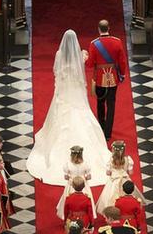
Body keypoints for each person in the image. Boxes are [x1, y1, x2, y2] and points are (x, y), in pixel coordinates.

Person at [26, 30, 110, 185]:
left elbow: (56, 72)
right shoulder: (78, 55)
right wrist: (82, 57)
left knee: (61, 119)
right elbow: (81, 69)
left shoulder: (59, 54)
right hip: (76, 91)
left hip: (64, 92)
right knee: (82, 116)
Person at [85, 20, 127, 142]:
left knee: (100, 103)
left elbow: (90, 64)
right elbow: (122, 61)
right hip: (113, 77)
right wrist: (122, 74)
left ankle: (101, 128)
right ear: (109, 28)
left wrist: (85, 58)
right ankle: (108, 133)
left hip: (99, 78)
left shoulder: (94, 44)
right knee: (111, 104)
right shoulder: (117, 42)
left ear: (98, 29)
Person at [97, 141, 144, 214]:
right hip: (124, 179)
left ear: (113, 150)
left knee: (111, 196)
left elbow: (108, 173)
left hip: (114, 180)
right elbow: (131, 172)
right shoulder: (128, 159)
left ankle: (113, 210)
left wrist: (113, 172)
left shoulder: (111, 160)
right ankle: (127, 207)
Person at [56, 146, 96, 221]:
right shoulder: (85, 164)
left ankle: (69, 215)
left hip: (71, 184)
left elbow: (66, 177)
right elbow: (89, 177)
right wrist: (84, 178)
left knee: (70, 199)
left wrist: (70, 178)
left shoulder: (68, 164)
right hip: (83, 185)